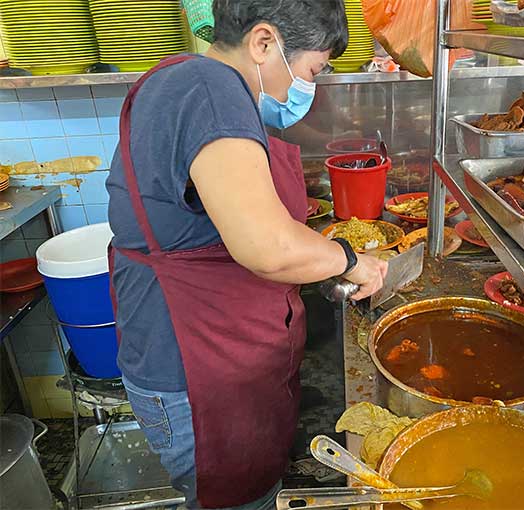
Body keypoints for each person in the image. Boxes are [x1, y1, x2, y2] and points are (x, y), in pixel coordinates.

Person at [105, 1, 388, 508]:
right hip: (197, 369)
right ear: (263, 43)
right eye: (312, 71)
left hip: (208, 356)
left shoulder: (189, 84)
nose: (305, 89)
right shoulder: (209, 91)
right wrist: (348, 259)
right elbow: (269, 247)